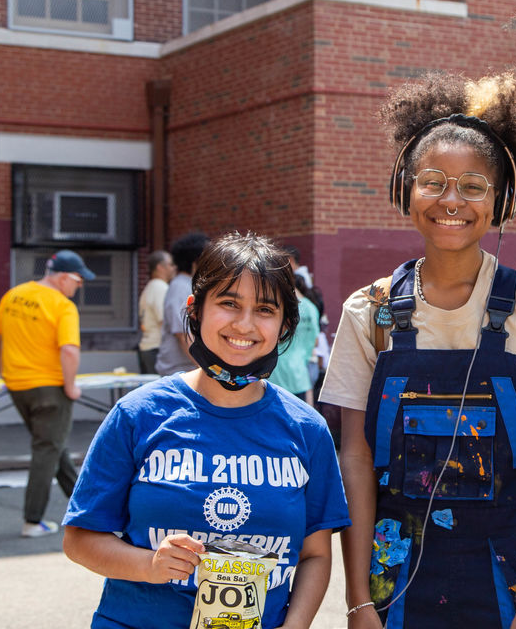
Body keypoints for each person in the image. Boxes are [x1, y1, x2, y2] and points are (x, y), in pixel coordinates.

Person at [320, 72, 516, 628]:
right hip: (394, 584)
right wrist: (358, 600)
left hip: (509, 581)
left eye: (473, 185)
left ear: (501, 201)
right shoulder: (366, 312)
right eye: (433, 181)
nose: (452, 200)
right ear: (405, 190)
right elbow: (355, 459)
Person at [62, 232, 349, 629]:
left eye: (265, 309)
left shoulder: (307, 429)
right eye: (229, 303)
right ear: (195, 310)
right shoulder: (138, 414)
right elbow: (79, 538)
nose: (244, 324)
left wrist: (296, 624)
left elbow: (316, 553)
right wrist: (149, 564)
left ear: (285, 324)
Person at [0, 249, 94, 537]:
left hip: (19, 386)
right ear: (62, 278)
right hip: (51, 388)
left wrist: (5, 372)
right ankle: (32, 521)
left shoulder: (14, 295)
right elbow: (69, 349)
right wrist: (70, 386)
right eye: (78, 281)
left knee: (54, 447)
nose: (78, 287)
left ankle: (90, 508)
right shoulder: (62, 305)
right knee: (47, 450)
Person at [156, 233, 209, 376]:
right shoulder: (181, 287)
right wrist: (205, 367)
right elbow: (182, 333)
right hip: (179, 370)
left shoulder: (188, 285)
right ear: (195, 262)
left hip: (187, 368)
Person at [267, 273, 321, 404]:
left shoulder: (281, 306)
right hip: (300, 375)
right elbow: (316, 341)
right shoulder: (311, 308)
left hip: (275, 373)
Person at [137, 250, 175, 374]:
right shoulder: (160, 287)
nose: (173, 268)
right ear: (160, 267)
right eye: (170, 264)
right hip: (157, 348)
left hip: (147, 347)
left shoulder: (149, 287)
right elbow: (165, 321)